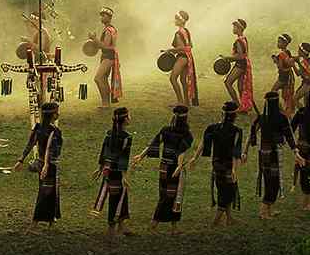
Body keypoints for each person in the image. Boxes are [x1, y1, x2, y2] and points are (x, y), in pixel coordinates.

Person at [134, 105, 194, 233]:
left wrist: (141, 155)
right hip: (173, 167)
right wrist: (179, 166)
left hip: (163, 167)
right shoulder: (187, 134)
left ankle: (174, 227)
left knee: (166, 195)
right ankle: (154, 224)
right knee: (172, 196)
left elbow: (154, 143)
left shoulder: (166, 130)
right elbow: (181, 151)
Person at [188, 101, 245, 227]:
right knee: (227, 192)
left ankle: (229, 218)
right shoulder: (237, 131)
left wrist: (194, 158)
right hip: (229, 165)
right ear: (234, 116)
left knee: (223, 189)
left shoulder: (212, 128)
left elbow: (203, 144)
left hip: (216, 163)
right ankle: (216, 221)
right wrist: (235, 169)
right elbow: (236, 152)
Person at [247, 91, 302, 219]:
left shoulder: (262, 118)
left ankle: (270, 210)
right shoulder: (281, 118)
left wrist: (247, 149)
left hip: (264, 153)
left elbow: (252, 132)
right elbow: (288, 135)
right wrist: (295, 151)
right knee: (273, 183)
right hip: (274, 154)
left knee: (269, 181)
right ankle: (263, 212)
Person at [14, 101, 62, 226]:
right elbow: (50, 150)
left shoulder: (38, 128)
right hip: (49, 165)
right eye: (56, 112)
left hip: (42, 163)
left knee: (49, 191)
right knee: (46, 192)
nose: (58, 114)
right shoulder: (54, 131)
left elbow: (30, 144)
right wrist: (47, 164)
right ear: (52, 115)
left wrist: (21, 159)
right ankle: (36, 221)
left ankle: (50, 219)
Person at [92, 107, 134, 235]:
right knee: (116, 198)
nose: (130, 118)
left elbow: (103, 152)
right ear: (125, 119)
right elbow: (123, 158)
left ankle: (121, 225)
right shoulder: (126, 137)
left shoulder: (109, 134)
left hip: (108, 170)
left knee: (120, 196)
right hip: (117, 173)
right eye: (129, 116)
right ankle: (112, 227)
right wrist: (124, 176)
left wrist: (100, 168)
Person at [88, 7, 122, 107]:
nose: (101, 17)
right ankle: (105, 103)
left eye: (104, 15)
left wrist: (94, 38)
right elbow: (102, 45)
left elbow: (105, 46)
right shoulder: (110, 29)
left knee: (98, 78)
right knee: (103, 79)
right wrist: (94, 41)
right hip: (108, 56)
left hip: (108, 56)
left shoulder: (108, 30)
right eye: (101, 15)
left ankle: (106, 103)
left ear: (109, 17)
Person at [220, 19, 254, 113]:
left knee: (228, 82)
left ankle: (238, 105)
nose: (233, 28)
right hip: (243, 64)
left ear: (240, 28)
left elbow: (240, 56)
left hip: (241, 64)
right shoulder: (243, 38)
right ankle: (244, 107)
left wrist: (227, 58)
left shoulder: (239, 40)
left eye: (235, 27)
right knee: (240, 87)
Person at [167, 10, 198, 107]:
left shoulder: (178, 33)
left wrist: (169, 50)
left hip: (182, 58)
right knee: (183, 80)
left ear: (181, 21)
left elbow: (181, 48)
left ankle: (180, 101)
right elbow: (190, 46)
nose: (174, 20)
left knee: (172, 78)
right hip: (188, 58)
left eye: (176, 19)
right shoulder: (186, 31)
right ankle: (186, 102)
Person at [270, 34, 297, 117]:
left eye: (279, 42)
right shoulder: (286, 52)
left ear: (285, 43)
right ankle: (286, 111)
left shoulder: (282, 54)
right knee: (286, 95)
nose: (278, 43)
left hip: (285, 77)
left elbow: (281, 67)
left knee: (275, 92)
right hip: (286, 76)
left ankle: (286, 111)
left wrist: (276, 61)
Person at [294, 42, 310, 109]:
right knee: (307, 104)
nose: (298, 51)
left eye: (299, 50)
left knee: (295, 99)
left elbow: (298, 73)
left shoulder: (303, 62)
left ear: (302, 52)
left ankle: (302, 112)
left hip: (307, 84)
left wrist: (293, 65)